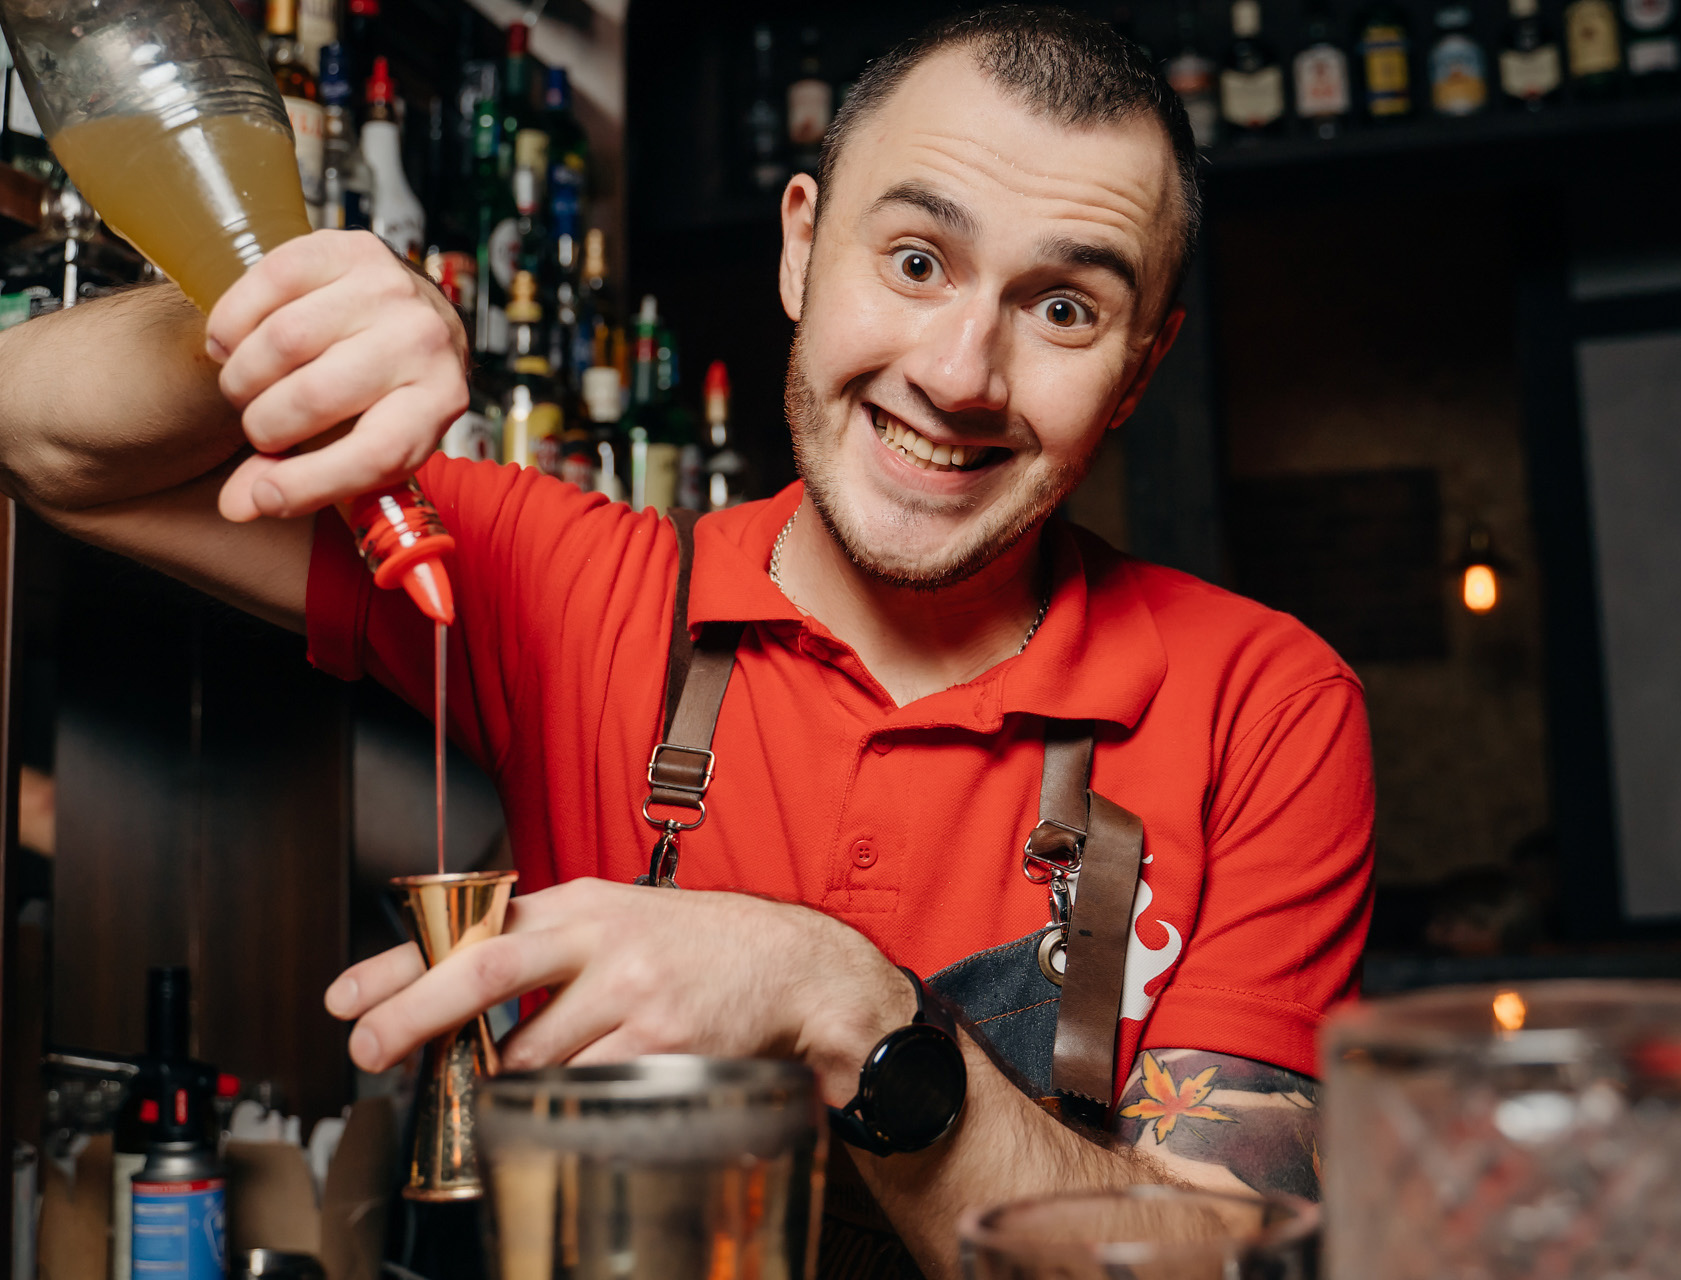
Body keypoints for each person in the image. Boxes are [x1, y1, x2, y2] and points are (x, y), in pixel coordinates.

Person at [0, 7, 1372, 1275]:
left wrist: (846, 1008)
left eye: (1064, 307)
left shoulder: (1263, 703)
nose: (961, 374)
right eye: (913, 260)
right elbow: (48, 446)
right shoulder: (579, 588)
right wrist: (266, 322)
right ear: (798, 245)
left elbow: (1221, 1257)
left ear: (1138, 367)